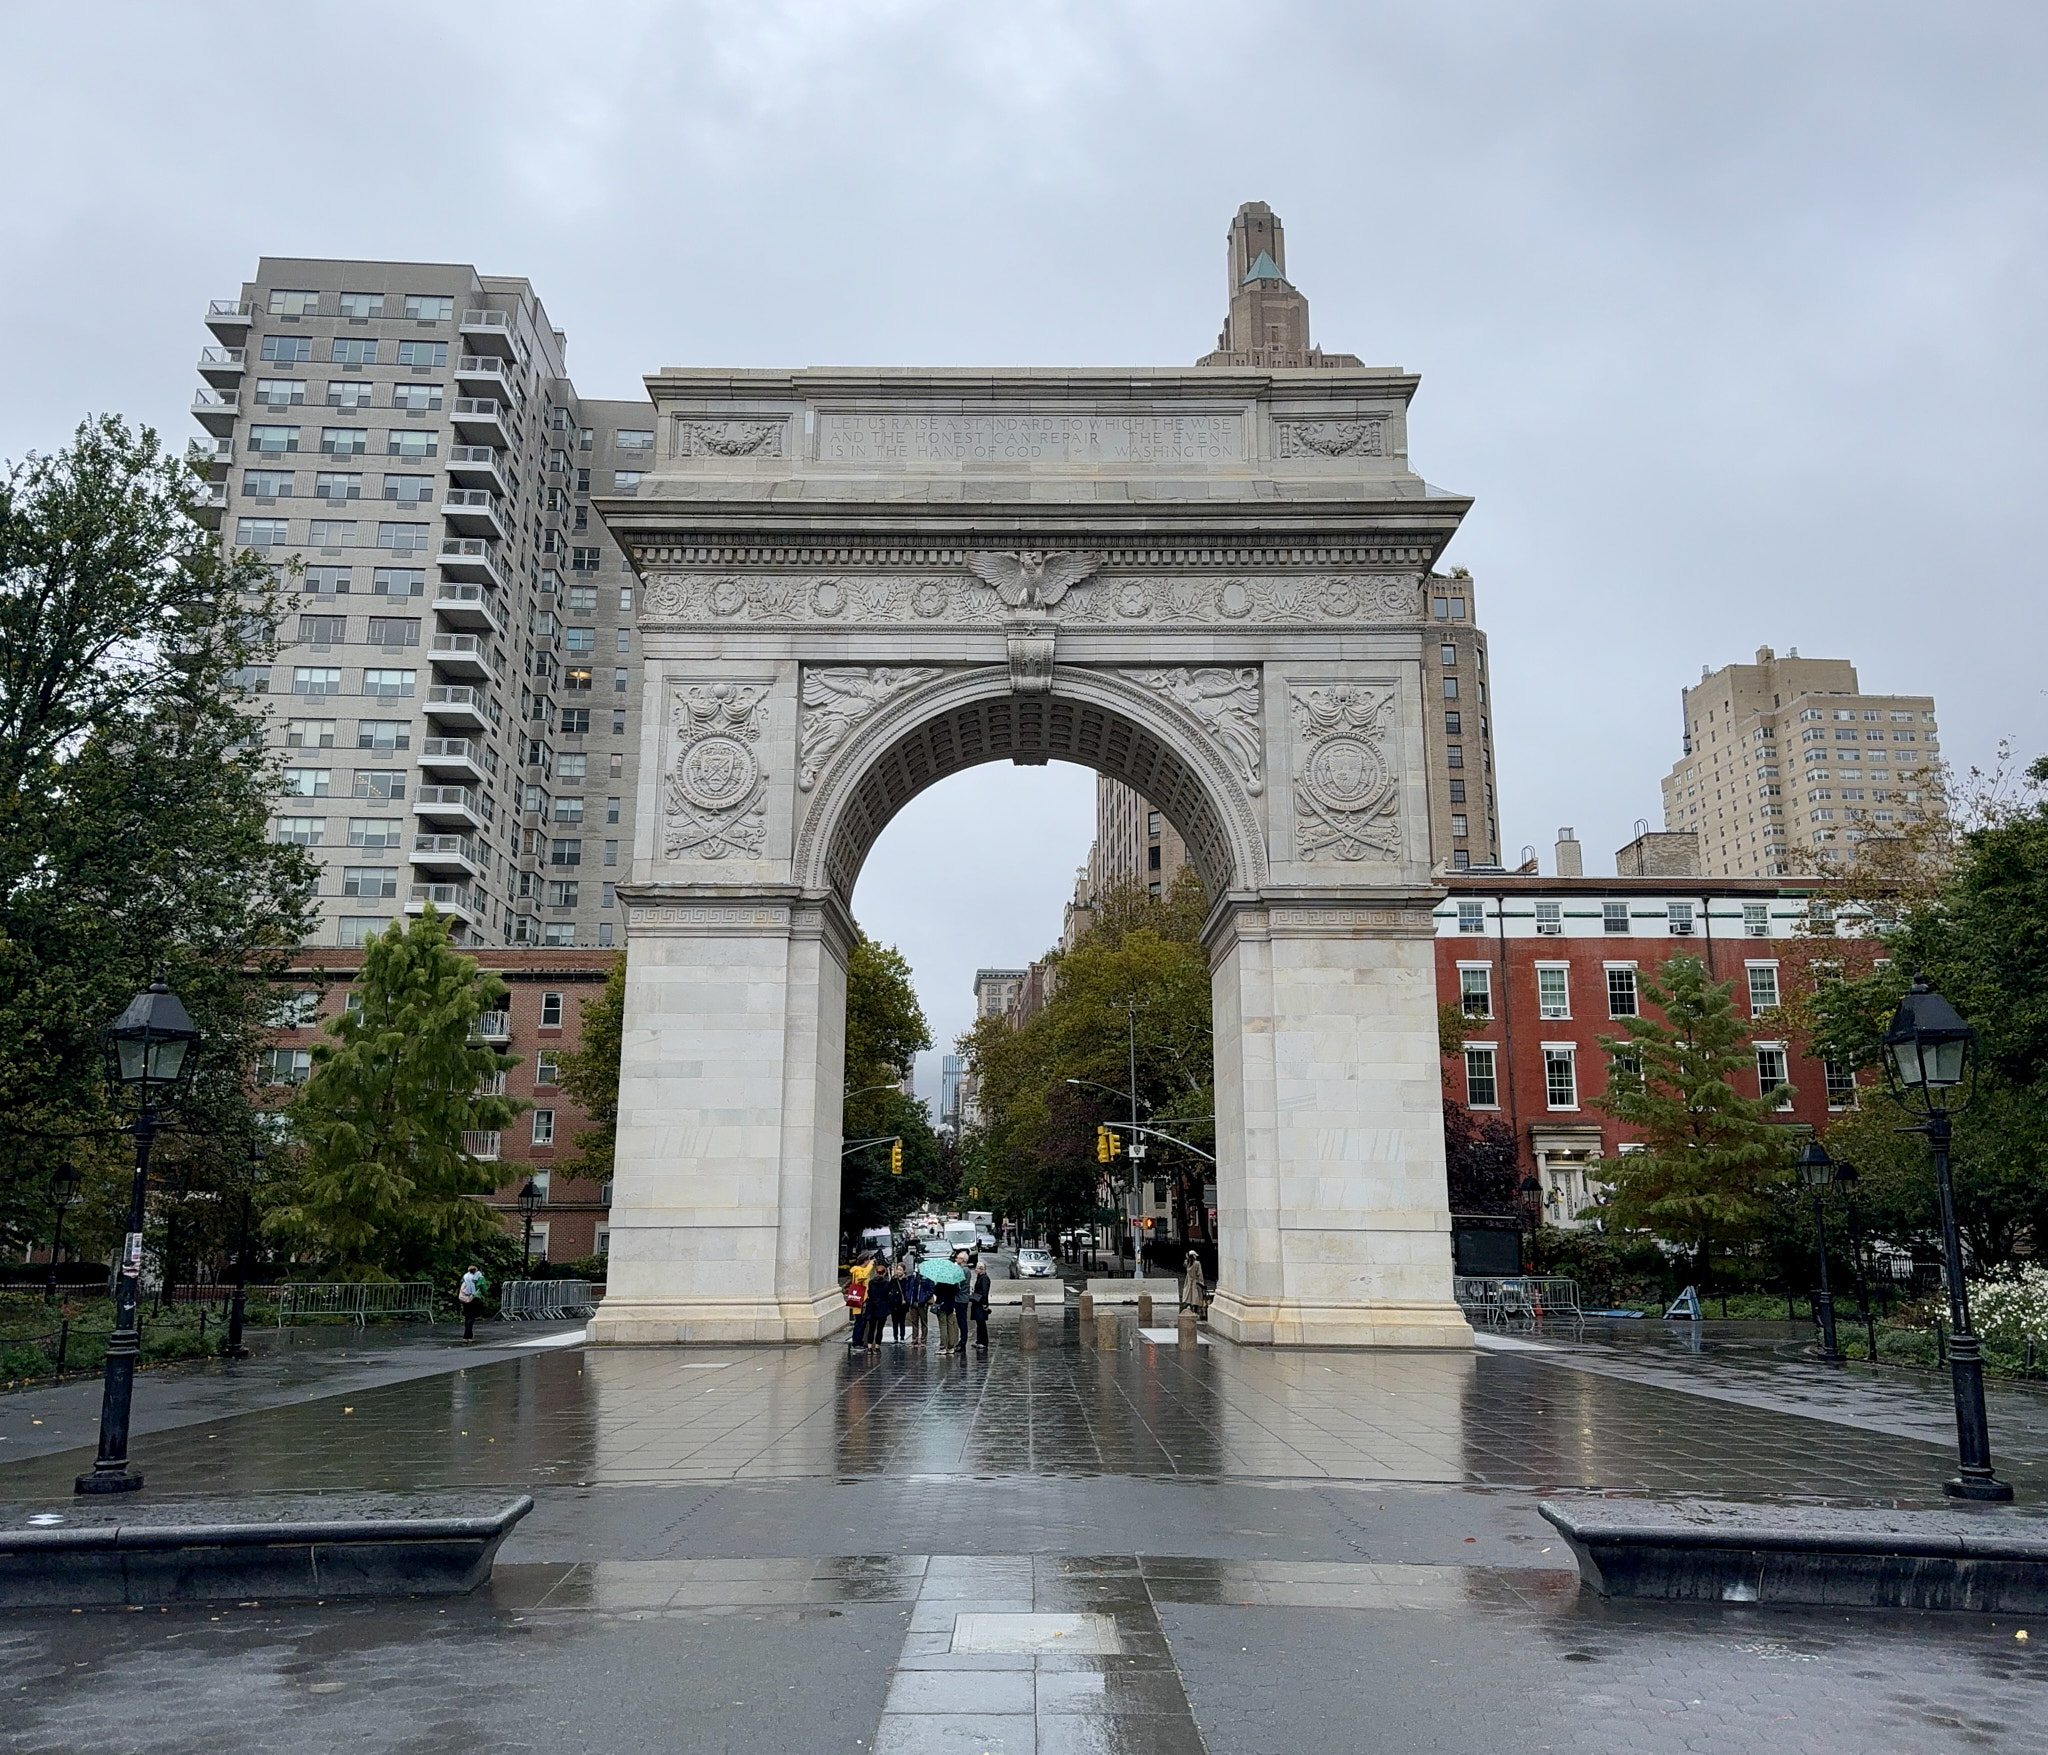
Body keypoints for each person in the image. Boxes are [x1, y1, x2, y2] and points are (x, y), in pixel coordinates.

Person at [845, 1251, 873, 1349]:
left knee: (862, 1321)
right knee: (859, 1322)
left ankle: (859, 1341)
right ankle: (856, 1342)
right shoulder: (858, 1270)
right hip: (859, 1300)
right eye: (868, 1260)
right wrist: (870, 1266)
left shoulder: (862, 1270)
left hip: (863, 1299)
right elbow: (862, 1277)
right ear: (865, 1261)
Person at [457, 1264, 486, 1340]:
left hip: (465, 1298)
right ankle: (468, 1335)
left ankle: (467, 1335)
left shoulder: (465, 1277)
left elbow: (462, 1285)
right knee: (472, 1317)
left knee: (467, 1316)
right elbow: (483, 1288)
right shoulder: (480, 1277)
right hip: (475, 1298)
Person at [969, 1256, 992, 1352]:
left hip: (980, 1304)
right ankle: (979, 1341)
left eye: (977, 1268)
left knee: (981, 1323)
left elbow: (984, 1292)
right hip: (977, 1303)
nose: (975, 1270)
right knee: (979, 1323)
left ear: (981, 1269)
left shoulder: (984, 1278)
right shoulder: (981, 1278)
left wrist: (984, 1304)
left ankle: (983, 1341)